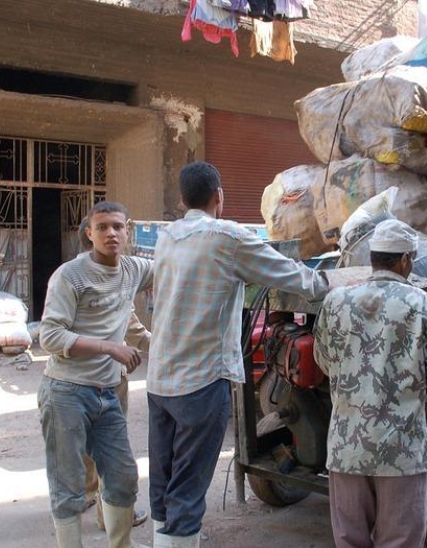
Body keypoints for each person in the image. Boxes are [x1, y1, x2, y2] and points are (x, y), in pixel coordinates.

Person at [147, 161, 329, 548]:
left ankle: (164, 539)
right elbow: (288, 273)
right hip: (200, 382)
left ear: (182, 199)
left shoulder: (167, 236)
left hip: (159, 380)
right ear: (219, 197)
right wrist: (328, 284)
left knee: (164, 479)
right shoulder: (227, 237)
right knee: (189, 485)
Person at [313, 219, 427, 548]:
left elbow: (323, 360)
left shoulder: (336, 301)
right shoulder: (420, 303)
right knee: (401, 540)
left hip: (347, 449)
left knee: (350, 540)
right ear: (405, 260)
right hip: (401, 451)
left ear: (373, 256)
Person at [39, 201, 153, 548]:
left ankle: (120, 543)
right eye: (102, 227)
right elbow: (50, 337)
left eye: (118, 226)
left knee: (122, 477)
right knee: (69, 485)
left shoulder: (134, 269)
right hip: (66, 391)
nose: (111, 233)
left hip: (108, 393)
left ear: (128, 230)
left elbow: (174, 269)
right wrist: (109, 348)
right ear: (89, 233)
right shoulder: (70, 275)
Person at [76, 217, 149, 531]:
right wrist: (163, 347)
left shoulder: (69, 275)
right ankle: (112, 514)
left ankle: (84, 494)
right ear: (92, 236)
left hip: (74, 377)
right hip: (107, 375)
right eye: (108, 229)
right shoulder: (112, 278)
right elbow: (133, 329)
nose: (116, 236)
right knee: (111, 444)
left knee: (84, 438)